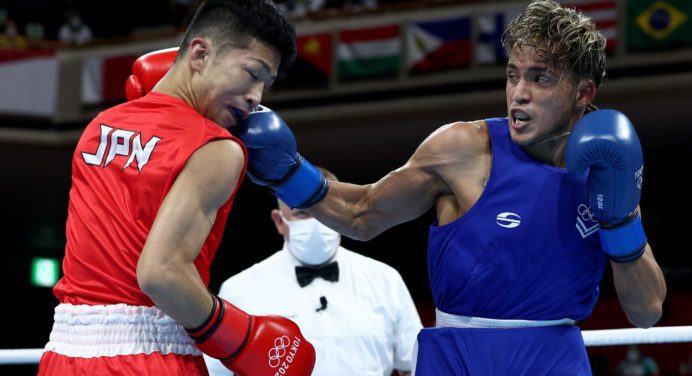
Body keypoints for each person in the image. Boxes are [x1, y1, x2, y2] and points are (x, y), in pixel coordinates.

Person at [231, 0, 667, 374]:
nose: (519, 93)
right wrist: (289, 174)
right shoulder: (464, 149)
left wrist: (622, 218)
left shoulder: (606, 170)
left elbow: (646, 312)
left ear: (583, 92)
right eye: (513, 75)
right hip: (460, 355)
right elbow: (363, 214)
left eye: (540, 78)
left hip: (553, 357)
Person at [37, 1, 316, 375]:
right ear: (200, 53)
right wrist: (240, 338)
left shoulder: (99, 127)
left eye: (265, 85)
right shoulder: (217, 147)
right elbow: (161, 274)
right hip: (151, 359)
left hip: (63, 356)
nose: (257, 97)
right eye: (252, 73)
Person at [205, 167, 423, 376]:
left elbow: (413, 366)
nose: (317, 221)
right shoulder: (239, 290)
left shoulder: (385, 280)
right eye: (302, 213)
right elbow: (214, 373)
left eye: (326, 211)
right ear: (279, 221)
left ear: (344, 214)